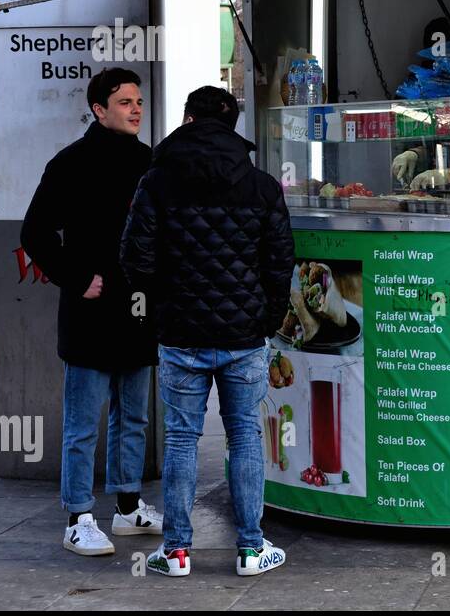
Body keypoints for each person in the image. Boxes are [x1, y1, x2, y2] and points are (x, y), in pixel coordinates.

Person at [121, 86, 294, 578]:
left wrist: (165, 301)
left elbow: (134, 257)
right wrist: (267, 316)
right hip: (244, 338)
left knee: (180, 439)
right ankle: (251, 549)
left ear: (187, 119)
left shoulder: (155, 180)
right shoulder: (261, 186)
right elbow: (281, 262)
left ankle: (176, 552)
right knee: (244, 437)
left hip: (179, 335)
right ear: (234, 124)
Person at [20, 68, 161, 556]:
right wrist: (78, 278)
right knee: (83, 422)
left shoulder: (150, 161)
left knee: (134, 418)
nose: (136, 109)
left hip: (139, 312)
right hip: (90, 315)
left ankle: (127, 508)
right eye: (125, 102)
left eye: (138, 101)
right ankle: (78, 517)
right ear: (99, 110)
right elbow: (34, 234)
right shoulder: (70, 164)